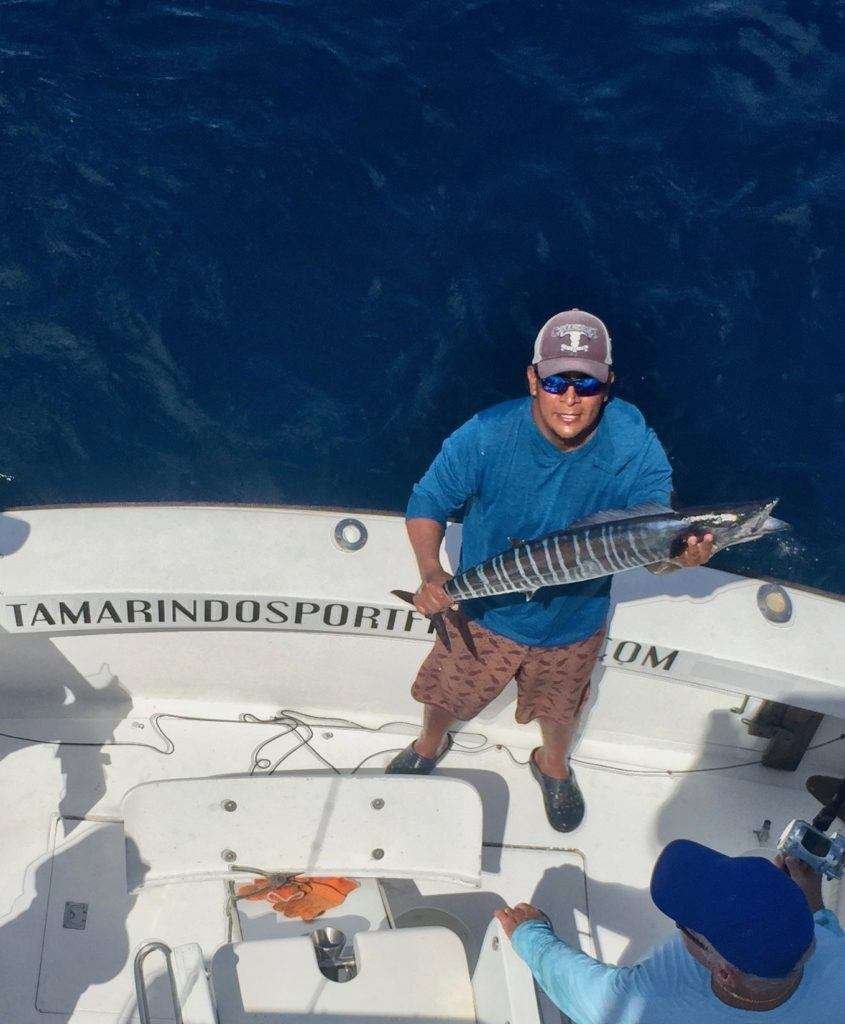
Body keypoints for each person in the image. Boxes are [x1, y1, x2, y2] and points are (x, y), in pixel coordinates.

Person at [386, 309, 713, 830]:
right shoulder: (487, 434)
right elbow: (427, 500)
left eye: (586, 382)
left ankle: (553, 765)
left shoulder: (635, 442)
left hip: (574, 623)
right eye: (557, 379)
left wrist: (679, 557)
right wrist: (431, 572)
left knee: (560, 711)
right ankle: (429, 743)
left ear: (607, 387)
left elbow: (653, 546)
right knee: (447, 695)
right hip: (483, 610)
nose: (570, 397)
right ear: (533, 379)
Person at [495, 839, 844, 1021]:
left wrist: (531, 936)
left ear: (724, 973)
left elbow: (588, 993)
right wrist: (813, 901)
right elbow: (826, 937)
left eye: (685, 926)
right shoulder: (830, 950)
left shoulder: (656, 1006)